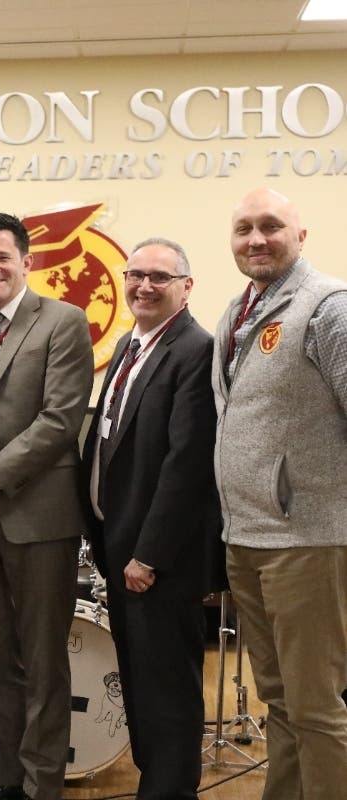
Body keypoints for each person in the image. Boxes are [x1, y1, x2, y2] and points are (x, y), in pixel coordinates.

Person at [0, 212, 93, 800]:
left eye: (3, 257)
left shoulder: (63, 322)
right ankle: (7, 779)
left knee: (43, 661)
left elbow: (60, 419)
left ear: (27, 262)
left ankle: (41, 786)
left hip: (39, 519)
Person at [213, 187, 347, 800]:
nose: (256, 239)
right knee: (280, 700)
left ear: (301, 235)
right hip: (246, 536)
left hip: (308, 539)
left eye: (271, 226)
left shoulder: (328, 308)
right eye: (244, 229)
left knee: (315, 706)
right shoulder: (237, 311)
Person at [81, 238, 223, 799]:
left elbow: (187, 465)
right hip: (121, 545)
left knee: (168, 689)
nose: (144, 286)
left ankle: (170, 790)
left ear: (186, 288)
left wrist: (149, 555)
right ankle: (155, 783)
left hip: (157, 559)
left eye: (159, 277)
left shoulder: (195, 350)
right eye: (135, 274)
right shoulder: (131, 343)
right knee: (141, 683)